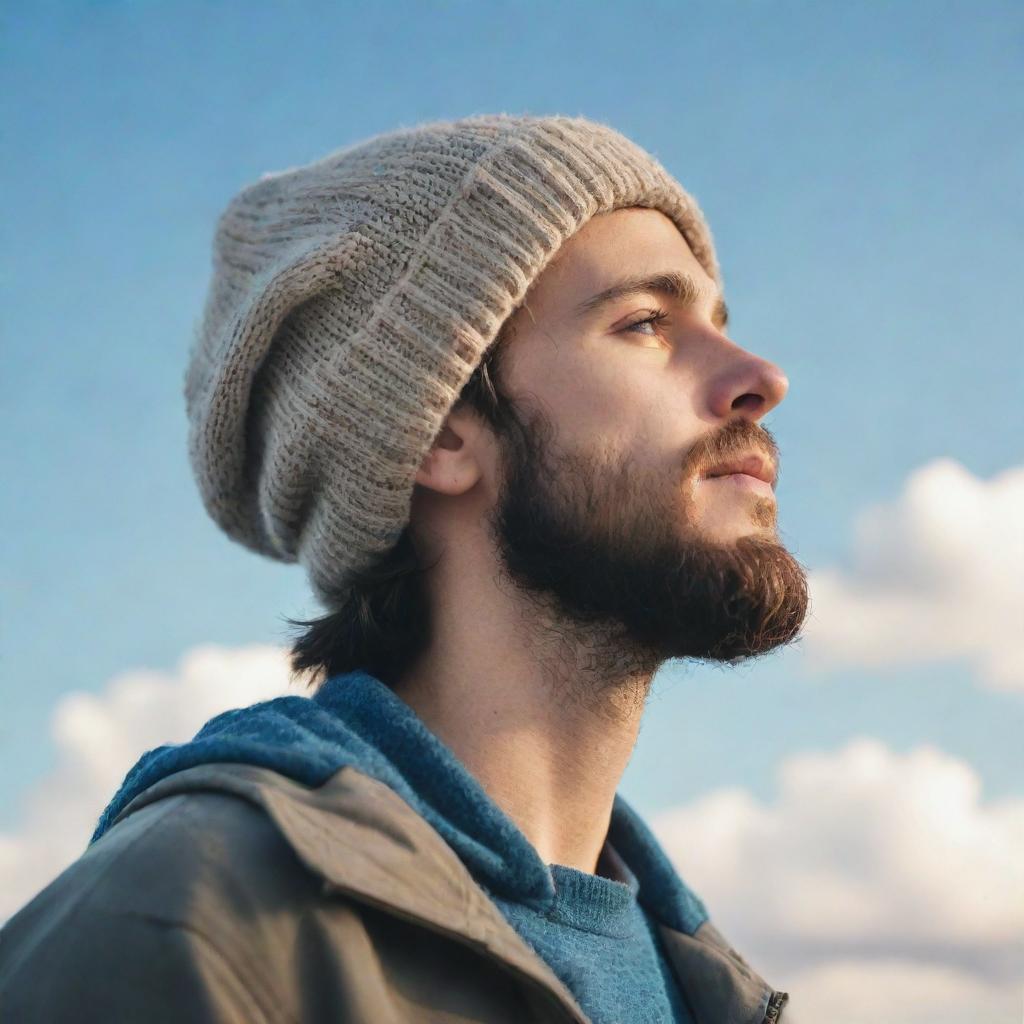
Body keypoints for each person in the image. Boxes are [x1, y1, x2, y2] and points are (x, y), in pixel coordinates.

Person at [0, 113, 808, 1023]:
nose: (760, 376)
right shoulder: (186, 927)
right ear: (442, 432)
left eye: (720, 321)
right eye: (647, 323)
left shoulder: (695, 984)